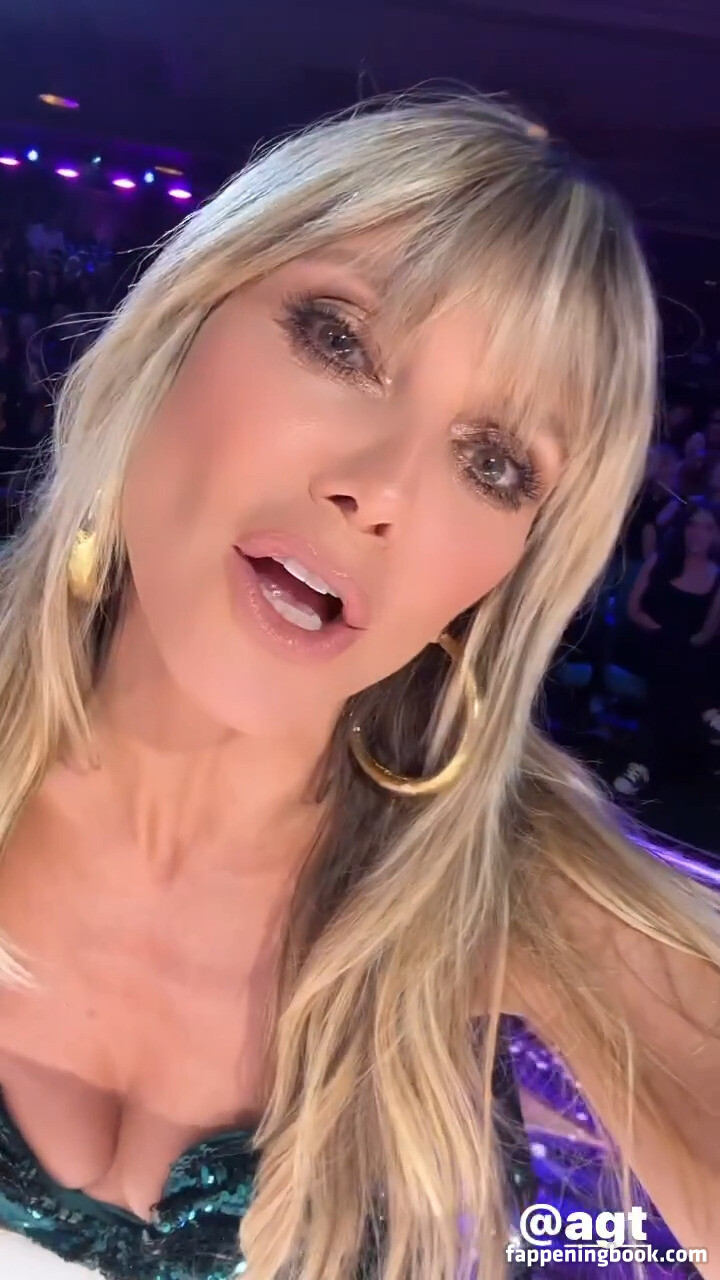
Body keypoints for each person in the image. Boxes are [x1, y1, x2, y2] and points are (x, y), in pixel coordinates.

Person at [0, 93, 717, 1280]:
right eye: (339, 343)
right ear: (182, 322)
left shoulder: (534, 909)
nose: (379, 489)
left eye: (493, 463)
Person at [614, 502, 720, 796]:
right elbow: (634, 610)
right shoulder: (659, 561)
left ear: (715, 534)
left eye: (707, 528)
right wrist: (659, 630)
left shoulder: (716, 576)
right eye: (693, 525)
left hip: (681, 654)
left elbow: (705, 634)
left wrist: (679, 642)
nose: (699, 533)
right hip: (645, 638)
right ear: (683, 528)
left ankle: (641, 764)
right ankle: (707, 711)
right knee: (674, 656)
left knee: (677, 667)